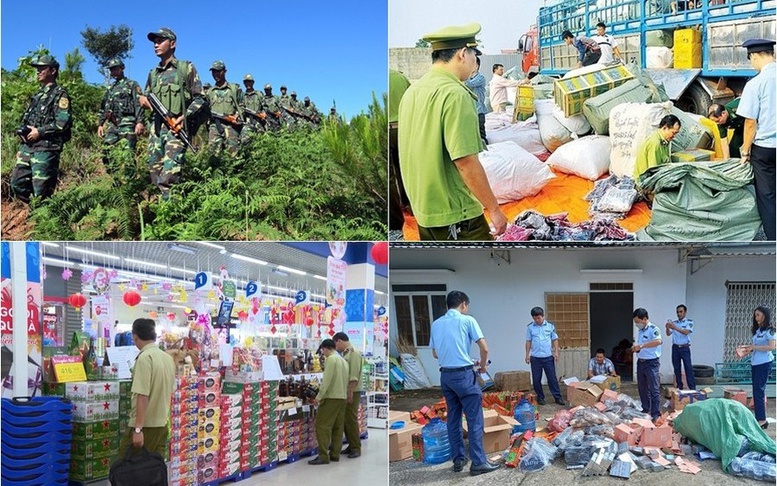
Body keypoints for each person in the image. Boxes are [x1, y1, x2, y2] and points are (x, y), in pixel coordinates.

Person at [398, 22, 508, 240]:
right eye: (475, 55)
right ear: (462, 54)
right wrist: (494, 209)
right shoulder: (455, 94)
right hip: (457, 217)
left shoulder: (412, 92)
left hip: (425, 213)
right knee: (483, 262)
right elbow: (466, 162)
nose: (475, 63)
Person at [429, 290, 499, 476]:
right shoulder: (468, 320)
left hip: (446, 376)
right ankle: (479, 462)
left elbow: (435, 353)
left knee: (453, 417)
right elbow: (484, 348)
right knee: (474, 419)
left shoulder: (436, 324)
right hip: (464, 376)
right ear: (463, 304)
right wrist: (482, 365)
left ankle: (458, 459)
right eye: (467, 305)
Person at [141, 27, 207, 199]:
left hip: (176, 130)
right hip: (156, 130)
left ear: (172, 44)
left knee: (169, 177)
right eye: (154, 42)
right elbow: (146, 98)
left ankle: (172, 211)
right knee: (154, 174)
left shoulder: (185, 68)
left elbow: (200, 98)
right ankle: (160, 209)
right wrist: (144, 102)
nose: (156, 45)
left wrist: (185, 116)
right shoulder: (153, 74)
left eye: (160, 41)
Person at [10, 54, 72, 203]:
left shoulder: (60, 94)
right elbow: (26, 120)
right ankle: (38, 208)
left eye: (42, 68)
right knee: (17, 184)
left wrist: (40, 132)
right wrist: (22, 143)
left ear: (53, 71)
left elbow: (62, 123)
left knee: (42, 191)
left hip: (46, 148)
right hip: (28, 147)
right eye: (37, 69)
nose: (38, 71)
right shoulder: (37, 96)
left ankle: (42, 212)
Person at [116, 318, 175, 459]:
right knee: (154, 467)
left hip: (145, 427)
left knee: (125, 465)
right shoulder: (167, 358)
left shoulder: (144, 358)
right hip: (162, 425)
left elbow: (142, 396)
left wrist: (138, 429)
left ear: (135, 336)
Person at [737, 38, 775, 241]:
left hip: (765, 149)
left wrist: (745, 151)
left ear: (755, 56)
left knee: (767, 195)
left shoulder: (755, 84)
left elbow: (750, 123)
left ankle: (774, 240)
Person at [97, 58, 144, 167]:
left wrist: (140, 122)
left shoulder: (131, 84)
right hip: (113, 124)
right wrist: (100, 124)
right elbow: (103, 107)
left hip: (128, 123)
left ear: (122, 68)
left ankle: (129, 177)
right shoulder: (110, 88)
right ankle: (115, 175)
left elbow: (139, 103)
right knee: (107, 152)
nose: (113, 72)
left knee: (128, 155)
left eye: (115, 69)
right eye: (111, 70)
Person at [309, 339, 349, 465]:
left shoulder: (331, 359)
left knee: (322, 426)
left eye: (322, 350)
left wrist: (318, 397)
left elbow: (326, 381)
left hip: (331, 398)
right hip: (342, 397)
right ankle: (335, 454)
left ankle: (323, 455)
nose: (323, 353)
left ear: (325, 349)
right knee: (338, 427)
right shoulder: (343, 360)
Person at [741, 306, 775, 429]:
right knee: (756, 390)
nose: (756, 318)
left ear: (765, 316)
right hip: (755, 362)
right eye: (755, 315)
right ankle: (758, 417)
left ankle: (762, 420)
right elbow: (755, 346)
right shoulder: (758, 331)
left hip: (764, 363)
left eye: (758, 315)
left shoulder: (770, 331)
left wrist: (754, 347)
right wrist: (747, 349)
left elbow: (771, 347)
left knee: (759, 391)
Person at [525, 307, 566, 406]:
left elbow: (555, 339)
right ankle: (540, 397)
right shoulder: (530, 327)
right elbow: (528, 341)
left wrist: (556, 352)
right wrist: (527, 355)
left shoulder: (550, 326)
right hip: (535, 358)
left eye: (539, 318)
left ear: (543, 316)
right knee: (536, 379)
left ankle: (557, 397)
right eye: (535, 318)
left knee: (552, 378)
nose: (537, 320)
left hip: (548, 357)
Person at [389, 68, 412, 231]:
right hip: (403, 128)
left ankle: (396, 223)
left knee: (389, 177)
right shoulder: (399, 77)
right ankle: (410, 205)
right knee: (405, 169)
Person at [333, 332, 362, 458]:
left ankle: (356, 447)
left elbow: (354, 375)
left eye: (335, 345)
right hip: (346, 390)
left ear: (339, 341)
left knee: (350, 419)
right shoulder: (345, 353)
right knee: (345, 419)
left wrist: (350, 392)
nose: (335, 348)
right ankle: (351, 444)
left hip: (352, 390)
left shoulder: (354, 353)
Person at [631, 308, 663, 421]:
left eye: (637, 322)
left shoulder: (654, 329)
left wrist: (641, 346)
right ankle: (645, 409)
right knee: (642, 388)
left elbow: (658, 341)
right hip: (641, 362)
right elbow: (640, 345)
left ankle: (655, 413)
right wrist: (636, 348)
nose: (636, 324)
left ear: (644, 319)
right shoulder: (641, 331)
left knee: (654, 389)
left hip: (651, 363)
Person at [207, 60, 243, 156]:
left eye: (218, 71)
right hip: (214, 126)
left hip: (231, 126)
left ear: (225, 71)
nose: (215, 74)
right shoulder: (209, 92)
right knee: (213, 156)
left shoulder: (234, 88)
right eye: (213, 72)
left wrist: (237, 116)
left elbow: (242, 105)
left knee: (233, 156)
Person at [634, 114, 682, 181]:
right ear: (665, 128)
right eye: (673, 133)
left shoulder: (664, 141)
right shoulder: (655, 142)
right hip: (646, 181)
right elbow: (653, 171)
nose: (674, 136)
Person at [666, 304, 695, 390]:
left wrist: (675, 327)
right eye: (677, 312)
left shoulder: (689, 322)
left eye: (681, 312)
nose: (679, 314)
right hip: (675, 348)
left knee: (688, 367)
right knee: (676, 368)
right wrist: (667, 328)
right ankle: (679, 386)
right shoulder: (674, 323)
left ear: (685, 312)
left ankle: (692, 388)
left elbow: (686, 332)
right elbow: (668, 334)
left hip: (684, 347)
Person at [465, 57, 488, 146]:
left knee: (481, 136)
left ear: (476, 66)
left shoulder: (480, 78)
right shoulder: (469, 78)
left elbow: (468, 84)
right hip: (470, 112)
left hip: (478, 111)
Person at [241, 73, 265, 142]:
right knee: (245, 140)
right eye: (246, 82)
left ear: (253, 82)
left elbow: (265, 107)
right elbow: (239, 109)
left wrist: (264, 114)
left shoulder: (259, 94)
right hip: (247, 122)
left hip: (259, 122)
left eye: (249, 81)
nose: (247, 83)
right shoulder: (242, 96)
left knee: (262, 141)